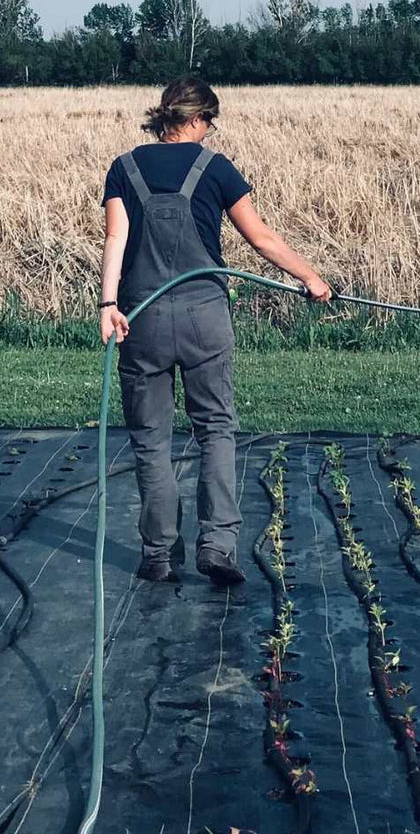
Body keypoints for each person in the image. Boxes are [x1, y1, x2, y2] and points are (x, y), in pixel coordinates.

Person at [99, 77, 331, 585]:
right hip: (204, 318)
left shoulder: (124, 167)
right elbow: (261, 238)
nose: (209, 132)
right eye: (210, 122)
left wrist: (108, 304)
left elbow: (115, 237)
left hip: (141, 318)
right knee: (216, 430)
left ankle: (159, 554)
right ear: (198, 118)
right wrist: (310, 277)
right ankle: (218, 545)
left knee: (150, 440)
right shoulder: (216, 167)